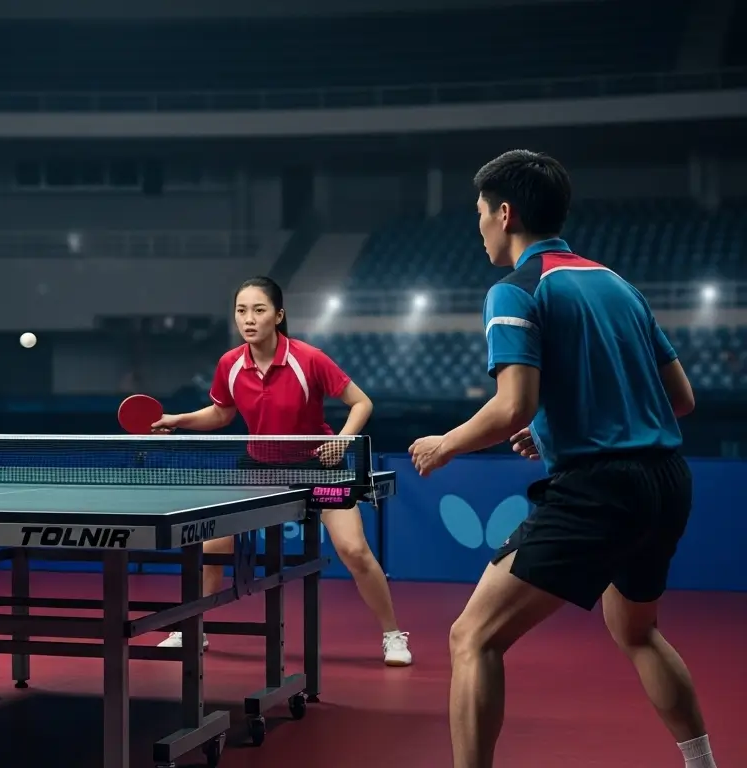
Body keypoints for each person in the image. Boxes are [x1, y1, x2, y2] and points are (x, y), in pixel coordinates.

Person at [408, 150, 714, 768]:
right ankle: (702, 763)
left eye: (479, 214)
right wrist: (556, 433)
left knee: (473, 638)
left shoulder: (514, 290)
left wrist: (446, 443)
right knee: (638, 631)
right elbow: (679, 399)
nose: (479, 228)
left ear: (505, 212)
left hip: (599, 490)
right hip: (667, 483)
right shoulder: (617, 283)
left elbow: (512, 406)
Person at [152, 276, 412, 666]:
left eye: (259, 310)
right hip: (258, 467)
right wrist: (179, 419)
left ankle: (393, 634)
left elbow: (361, 403)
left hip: (317, 466)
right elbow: (222, 413)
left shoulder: (308, 358)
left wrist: (342, 440)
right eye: (242, 310)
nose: (249, 319)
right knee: (212, 547)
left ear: (278, 315)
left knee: (354, 550)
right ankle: (192, 627)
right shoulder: (230, 364)